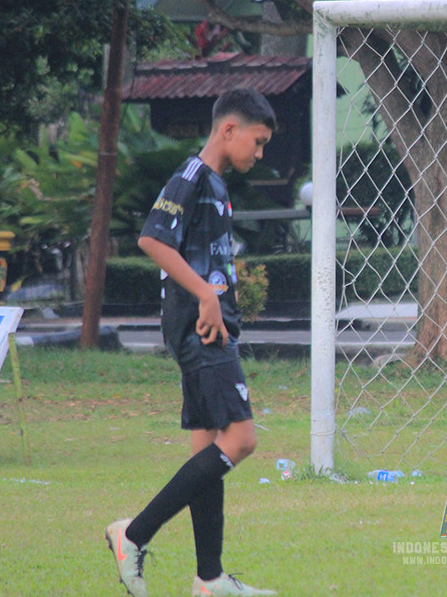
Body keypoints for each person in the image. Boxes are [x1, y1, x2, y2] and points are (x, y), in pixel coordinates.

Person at [106, 89, 278, 597]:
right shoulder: (193, 175)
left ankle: (209, 579)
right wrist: (206, 295)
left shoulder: (215, 182)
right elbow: (152, 238)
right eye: (259, 141)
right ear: (229, 130)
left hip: (206, 323)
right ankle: (132, 534)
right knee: (242, 440)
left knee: (208, 448)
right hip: (202, 329)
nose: (260, 153)